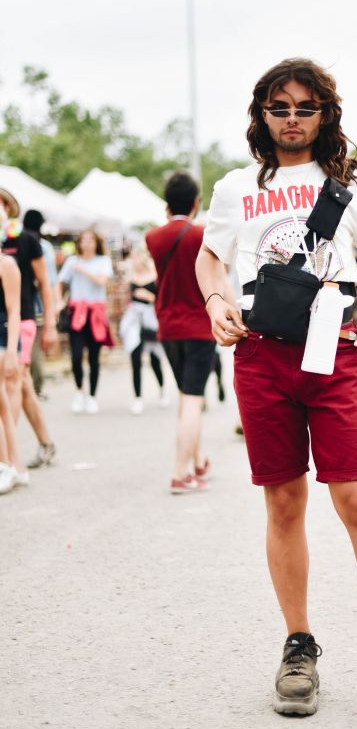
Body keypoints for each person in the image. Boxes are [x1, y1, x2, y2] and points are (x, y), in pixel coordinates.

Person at [196, 57, 357, 729]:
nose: (291, 118)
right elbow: (211, 254)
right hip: (261, 355)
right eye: (279, 106)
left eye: (305, 107)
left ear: (325, 113)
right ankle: (299, 646)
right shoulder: (236, 186)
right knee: (285, 501)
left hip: (334, 348)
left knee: (356, 499)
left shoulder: (350, 184)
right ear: (261, 114)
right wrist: (214, 298)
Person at [146, 172, 215, 494]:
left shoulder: (153, 237)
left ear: (166, 204)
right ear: (196, 203)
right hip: (199, 325)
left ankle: (197, 460)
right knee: (192, 398)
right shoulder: (201, 235)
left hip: (168, 327)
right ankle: (180, 473)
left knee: (187, 396)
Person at [0, 188, 57, 473]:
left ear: (8, 208)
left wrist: (50, 323)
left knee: (13, 380)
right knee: (23, 384)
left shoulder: (25, 242)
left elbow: (45, 283)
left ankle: (7, 457)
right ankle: (45, 442)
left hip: (20, 319)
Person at [57, 230, 114, 414]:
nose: (87, 244)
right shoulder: (72, 261)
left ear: (96, 243)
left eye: (91, 240)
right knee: (75, 356)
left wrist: (84, 270)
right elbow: (60, 282)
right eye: (84, 240)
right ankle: (79, 391)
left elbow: (101, 282)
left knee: (94, 358)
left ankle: (92, 396)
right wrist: (58, 301)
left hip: (96, 313)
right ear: (79, 243)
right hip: (77, 313)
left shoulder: (102, 261)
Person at [119, 247, 168, 415]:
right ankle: (138, 397)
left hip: (151, 318)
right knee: (135, 358)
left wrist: (148, 297)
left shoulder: (155, 276)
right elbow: (126, 298)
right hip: (134, 319)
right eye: (133, 257)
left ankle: (162, 390)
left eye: (137, 256)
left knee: (155, 359)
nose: (135, 260)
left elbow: (163, 299)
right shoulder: (130, 277)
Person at [22, 209, 57, 400]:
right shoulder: (45, 247)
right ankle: (35, 387)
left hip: (29, 305)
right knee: (33, 350)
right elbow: (49, 281)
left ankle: (32, 388)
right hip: (36, 305)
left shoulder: (19, 243)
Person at [0, 250, 26, 491]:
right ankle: (15, 465)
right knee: (3, 407)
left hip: (2, 337)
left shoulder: (6, 264)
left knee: (3, 405)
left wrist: (10, 351)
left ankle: (7, 464)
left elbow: (14, 309)